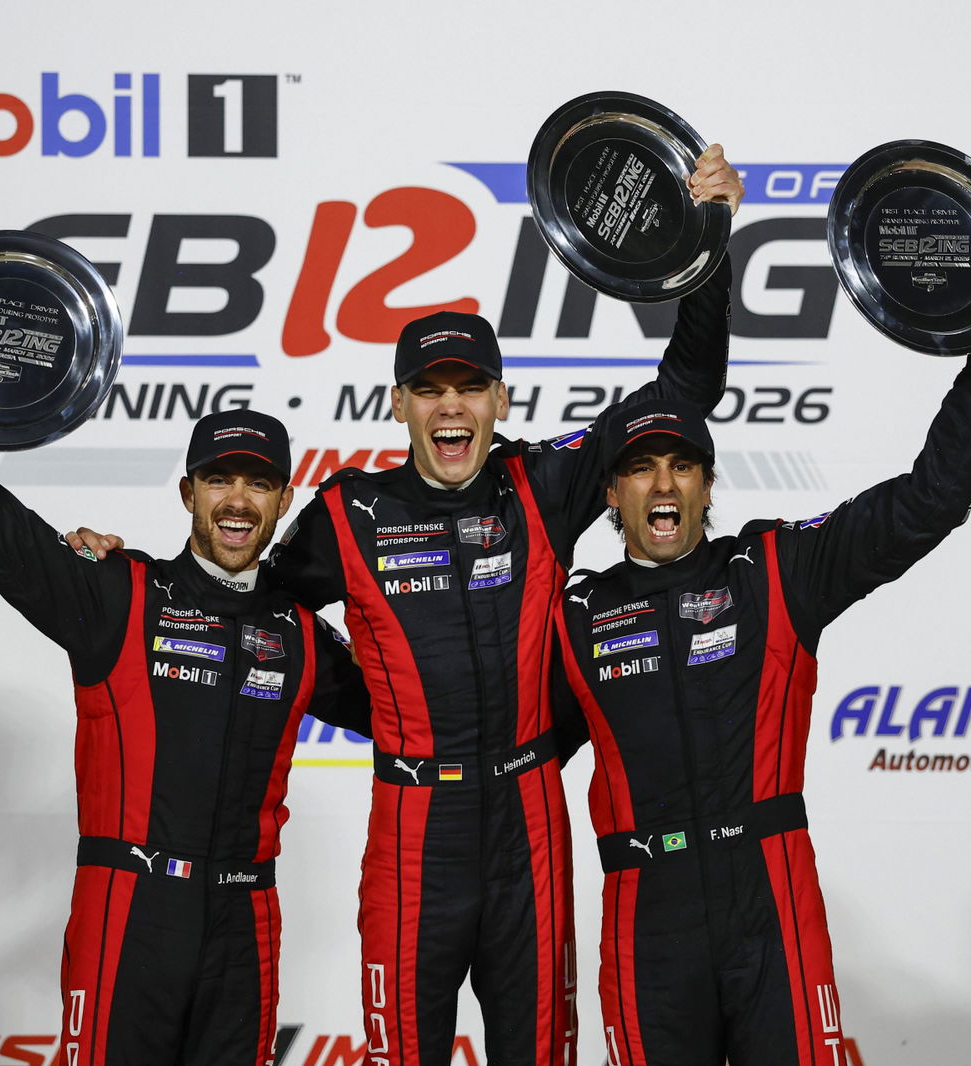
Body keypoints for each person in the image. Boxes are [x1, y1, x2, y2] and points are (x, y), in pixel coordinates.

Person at [266, 147, 744, 1066]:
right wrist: (378, 710)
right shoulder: (347, 512)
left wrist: (709, 244)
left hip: (529, 820)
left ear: (499, 398)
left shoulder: (544, 481)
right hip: (414, 830)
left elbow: (685, 391)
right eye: (432, 391)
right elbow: (259, 612)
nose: (453, 409)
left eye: (471, 388)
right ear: (399, 403)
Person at [550, 278, 971, 1066]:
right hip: (649, 915)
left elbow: (930, 503)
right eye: (642, 468)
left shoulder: (775, 570)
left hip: (770, 901)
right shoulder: (572, 618)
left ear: (709, 484)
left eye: (684, 466)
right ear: (611, 492)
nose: (665, 485)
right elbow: (486, 736)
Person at [0, 303, 371, 1066]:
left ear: (281, 501)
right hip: (131, 910)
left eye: (259, 484)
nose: (238, 501)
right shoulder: (117, 593)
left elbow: (425, 715)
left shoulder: (300, 631)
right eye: (219, 480)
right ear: (187, 493)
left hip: (247, 918)